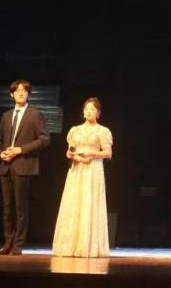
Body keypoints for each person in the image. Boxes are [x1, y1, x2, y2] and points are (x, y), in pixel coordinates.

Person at [0, 79, 50, 255]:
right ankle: (7, 243)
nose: (21, 93)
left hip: (23, 165)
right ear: (12, 94)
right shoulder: (6, 115)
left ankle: (18, 244)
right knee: (7, 208)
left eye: (24, 90)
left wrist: (20, 150)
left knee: (20, 208)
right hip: (6, 166)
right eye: (17, 90)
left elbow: (44, 139)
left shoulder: (35, 114)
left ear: (28, 94)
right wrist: (0, 153)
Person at [52, 97, 114, 257]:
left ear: (98, 113)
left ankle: (87, 246)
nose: (89, 112)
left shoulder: (102, 131)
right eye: (86, 109)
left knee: (89, 203)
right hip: (76, 170)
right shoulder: (75, 130)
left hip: (93, 171)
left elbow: (108, 153)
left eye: (92, 109)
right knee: (74, 203)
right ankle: (70, 245)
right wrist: (75, 156)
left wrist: (92, 153)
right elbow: (69, 151)